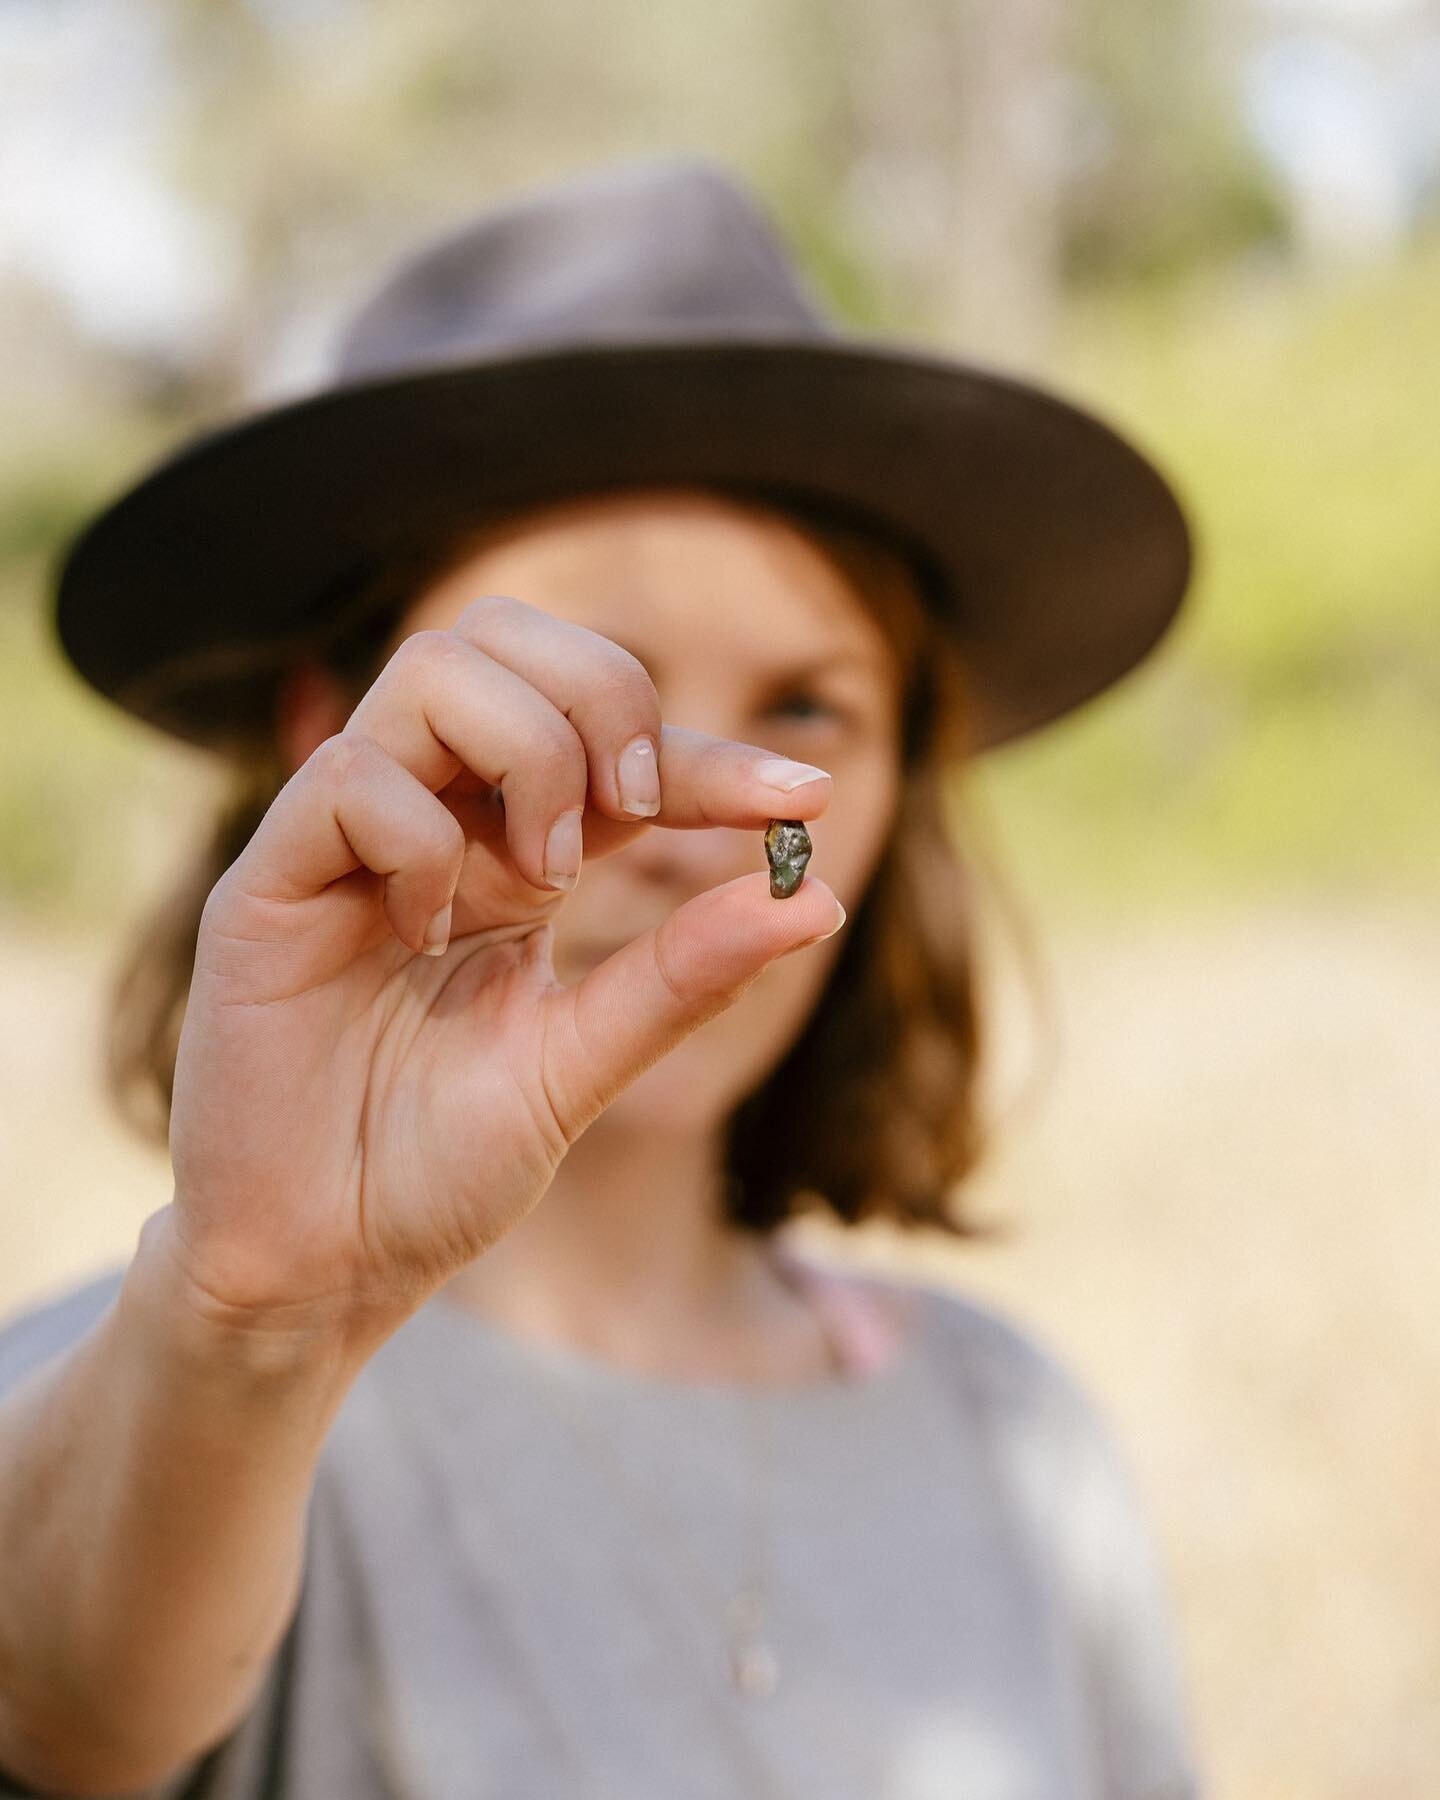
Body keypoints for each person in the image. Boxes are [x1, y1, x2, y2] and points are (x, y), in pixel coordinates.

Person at [0, 155, 1202, 1798]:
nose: (677, 810)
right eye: (559, 697)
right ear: (331, 735)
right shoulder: (142, 1402)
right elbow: (59, 1703)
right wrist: (246, 1326)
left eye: (806, 710)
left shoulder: (1017, 1443)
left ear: (899, 788)